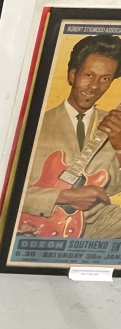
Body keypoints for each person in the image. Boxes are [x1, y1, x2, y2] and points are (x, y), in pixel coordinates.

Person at [21, 34, 121, 238]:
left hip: (94, 224)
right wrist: (64, 196)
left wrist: (119, 147)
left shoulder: (114, 125)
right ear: (72, 75)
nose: (95, 86)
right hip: (38, 222)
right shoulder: (36, 124)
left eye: (105, 79)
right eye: (88, 75)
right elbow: (7, 193)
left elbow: (112, 189)